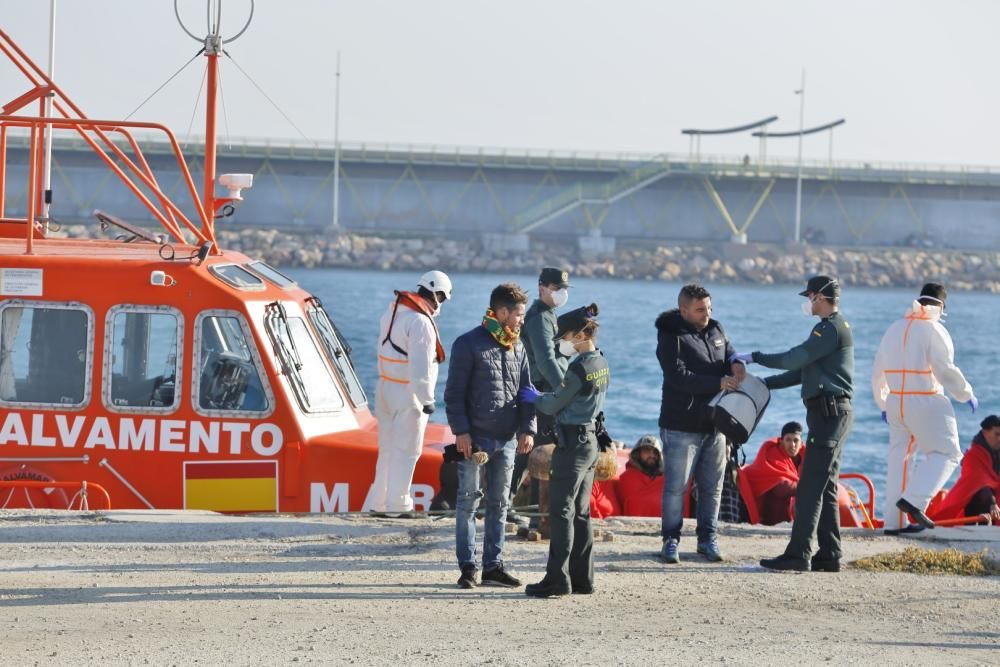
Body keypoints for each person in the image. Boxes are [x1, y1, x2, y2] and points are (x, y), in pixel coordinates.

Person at [732, 275, 854, 572]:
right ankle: (829, 555)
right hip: (830, 415)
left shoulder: (829, 330)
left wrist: (755, 357)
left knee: (809, 488)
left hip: (829, 415)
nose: (806, 302)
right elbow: (802, 373)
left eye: (809, 296)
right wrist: (762, 384)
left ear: (820, 297)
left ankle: (798, 554)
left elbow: (794, 359)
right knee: (824, 488)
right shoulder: (829, 330)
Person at [444, 283, 535, 589]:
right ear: (503, 312)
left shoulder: (518, 346)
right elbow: (453, 395)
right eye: (519, 314)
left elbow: (527, 393)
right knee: (467, 504)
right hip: (476, 440)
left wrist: (528, 429)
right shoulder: (467, 344)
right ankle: (468, 568)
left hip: (508, 438)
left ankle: (494, 566)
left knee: (500, 505)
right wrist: (462, 433)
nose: (521, 320)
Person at [871, 283, 977, 534]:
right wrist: (966, 393)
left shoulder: (894, 329)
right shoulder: (934, 330)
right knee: (948, 453)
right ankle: (915, 501)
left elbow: (878, 371)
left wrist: (883, 401)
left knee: (899, 460)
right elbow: (945, 370)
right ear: (940, 306)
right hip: (926, 400)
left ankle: (895, 523)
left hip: (897, 401)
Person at [519, 304, 609, 597]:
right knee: (581, 514)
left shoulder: (579, 369)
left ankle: (557, 579)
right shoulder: (601, 363)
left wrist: (535, 397)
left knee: (561, 512)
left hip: (572, 445)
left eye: (567, 336)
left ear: (582, 334)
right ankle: (584, 579)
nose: (563, 342)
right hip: (590, 442)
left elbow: (553, 404)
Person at [655, 284, 745, 564]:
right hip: (680, 425)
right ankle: (671, 539)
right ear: (684, 310)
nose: (707, 313)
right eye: (700, 309)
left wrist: (737, 363)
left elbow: (730, 352)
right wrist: (717, 383)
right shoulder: (671, 336)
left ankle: (708, 538)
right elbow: (677, 377)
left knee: (712, 487)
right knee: (676, 487)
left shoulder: (716, 329)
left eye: (709, 307)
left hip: (715, 425)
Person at [364, 270, 452, 515]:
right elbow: (420, 367)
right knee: (407, 451)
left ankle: (378, 503)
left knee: (388, 449)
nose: (441, 304)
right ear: (437, 295)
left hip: (384, 389)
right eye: (442, 298)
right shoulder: (421, 322)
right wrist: (427, 400)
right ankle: (399, 505)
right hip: (408, 394)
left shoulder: (392, 312)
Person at [510, 267, 572, 521]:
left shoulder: (547, 314)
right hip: (541, 389)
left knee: (532, 450)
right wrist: (565, 390)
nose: (561, 293)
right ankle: (531, 510)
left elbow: (552, 353)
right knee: (538, 452)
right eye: (556, 288)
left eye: (564, 289)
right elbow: (546, 361)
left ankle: (512, 506)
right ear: (542, 288)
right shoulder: (540, 318)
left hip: (541, 388)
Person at [931, 415, 1000, 523]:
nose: (999, 439)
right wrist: (992, 503)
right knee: (979, 492)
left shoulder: (997, 453)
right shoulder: (973, 456)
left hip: (993, 505)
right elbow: (980, 483)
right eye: (997, 434)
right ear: (985, 432)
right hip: (974, 506)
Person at [743, 422, 805, 526]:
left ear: (801, 443)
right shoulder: (772, 455)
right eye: (788, 440)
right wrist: (810, 487)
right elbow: (781, 487)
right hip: (769, 517)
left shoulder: (803, 457)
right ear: (781, 441)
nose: (792, 444)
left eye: (795, 440)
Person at [616, 434, 664, 517]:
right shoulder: (627, 478)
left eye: (655, 452)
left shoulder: (665, 480)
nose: (652, 455)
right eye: (647, 451)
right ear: (638, 454)